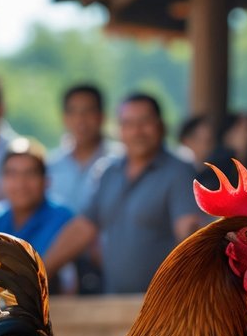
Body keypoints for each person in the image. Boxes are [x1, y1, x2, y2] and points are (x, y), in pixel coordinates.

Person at [46, 93, 201, 295]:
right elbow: (84, 227)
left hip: (164, 305)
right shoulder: (109, 171)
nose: (137, 131)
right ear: (119, 130)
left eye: (145, 122)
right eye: (128, 124)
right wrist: (41, 271)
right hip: (114, 302)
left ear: (161, 126)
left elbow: (189, 233)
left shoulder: (178, 171)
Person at [0, 138, 74, 258]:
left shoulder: (64, 221)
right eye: (13, 174)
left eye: (30, 173)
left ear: (46, 180)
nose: (21, 183)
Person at [47, 84, 122, 218]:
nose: (80, 119)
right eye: (73, 112)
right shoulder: (51, 165)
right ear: (64, 118)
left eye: (88, 111)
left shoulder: (120, 161)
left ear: (101, 116)